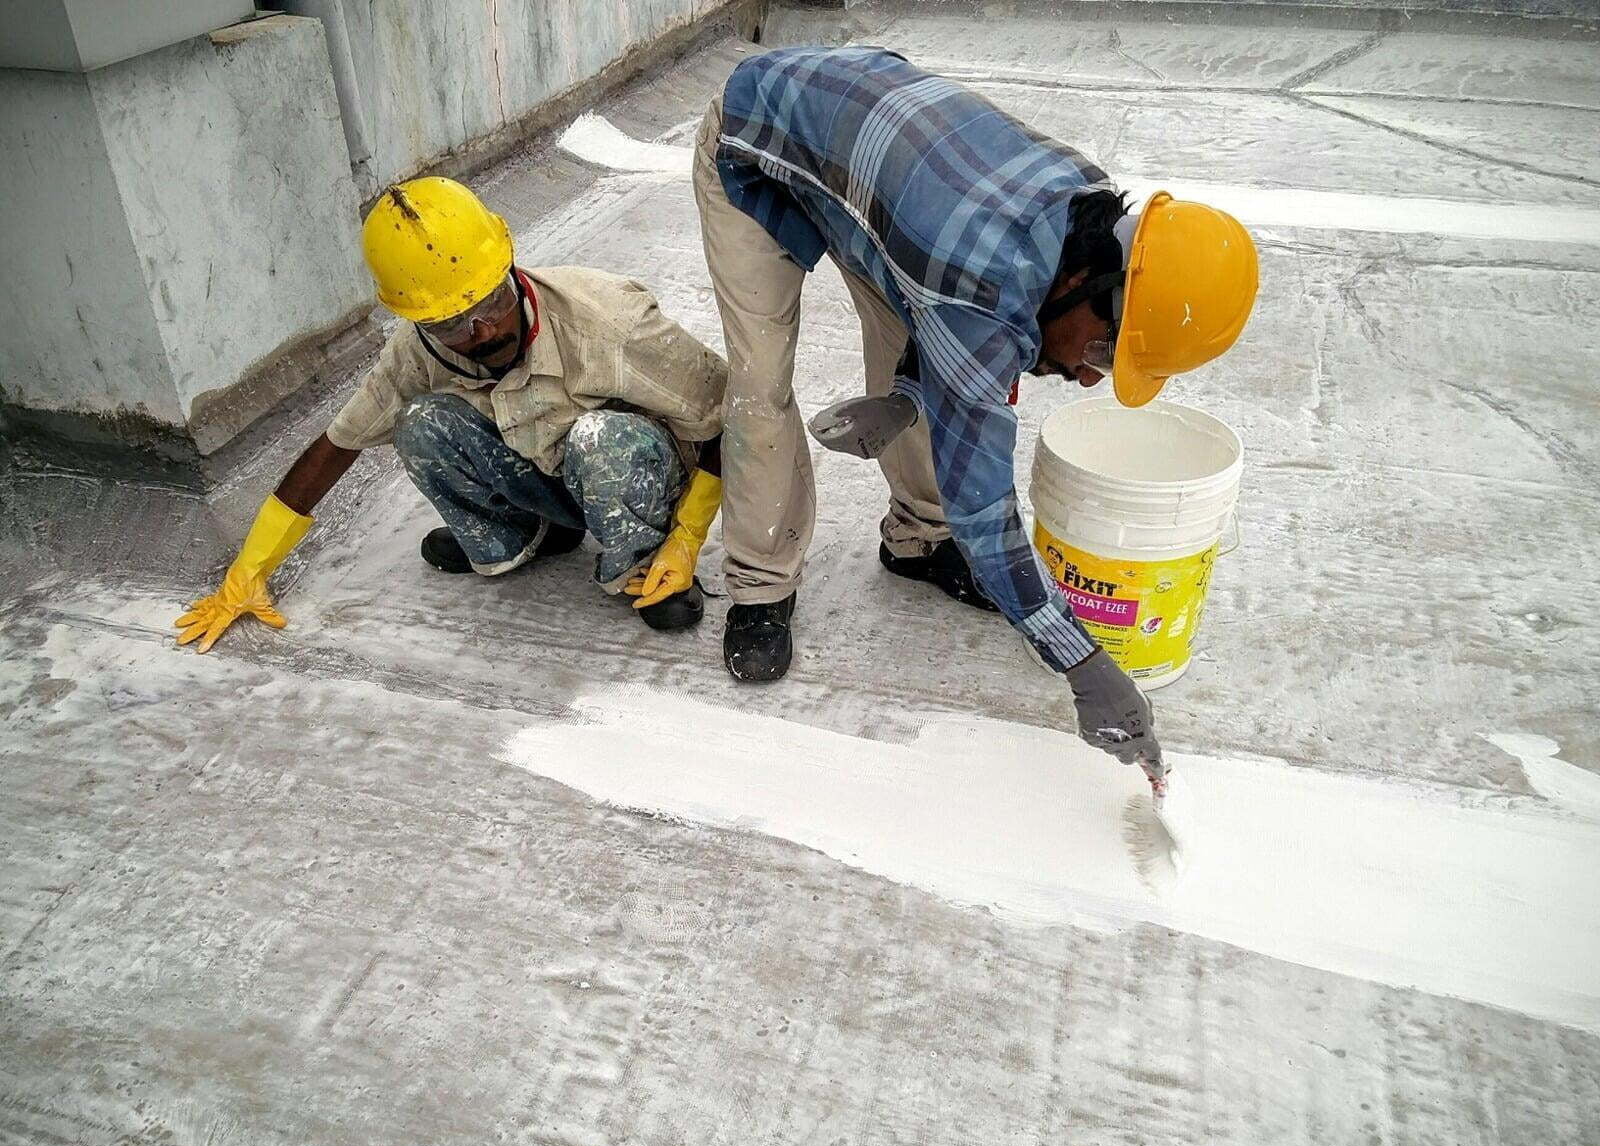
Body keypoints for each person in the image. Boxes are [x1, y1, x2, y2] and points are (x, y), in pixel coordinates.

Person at [694, 46, 1258, 771]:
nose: (1090, 379)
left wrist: (906, 395)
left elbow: (945, 318)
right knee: (760, 380)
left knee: (921, 346)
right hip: (756, 139)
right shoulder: (983, 283)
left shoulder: (1096, 219)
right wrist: (1083, 664)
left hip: (882, 185)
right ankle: (761, 582)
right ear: (1088, 281)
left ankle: (917, 537)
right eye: (1099, 351)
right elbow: (985, 509)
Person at [176, 177, 727, 652]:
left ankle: (646, 562)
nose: (483, 331)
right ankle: (527, 535)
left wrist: (687, 536)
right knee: (421, 422)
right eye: (451, 324)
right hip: (554, 470)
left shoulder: (608, 322)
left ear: (509, 268)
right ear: (420, 321)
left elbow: (731, 415)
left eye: (492, 302)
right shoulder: (415, 353)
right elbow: (337, 444)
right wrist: (250, 570)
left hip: (641, 479)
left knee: (598, 436)